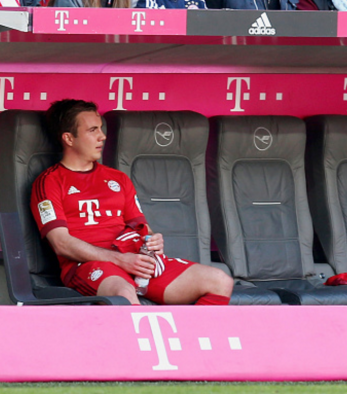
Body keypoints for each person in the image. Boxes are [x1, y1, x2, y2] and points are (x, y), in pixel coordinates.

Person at [30, 99, 233, 305]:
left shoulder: (118, 178)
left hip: (135, 260)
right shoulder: (49, 181)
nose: (102, 136)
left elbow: (142, 227)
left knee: (220, 281)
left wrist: (153, 240)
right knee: (124, 296)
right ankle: (141, 337)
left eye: (100, 128)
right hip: (90, 265)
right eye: (93, 130)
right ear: (69, 138)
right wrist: (119, 260)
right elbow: (60, 243)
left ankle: (190, 337)